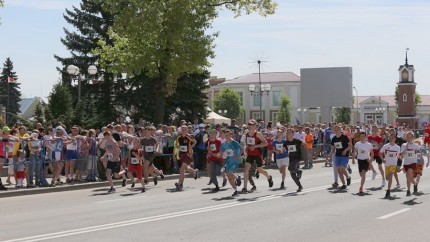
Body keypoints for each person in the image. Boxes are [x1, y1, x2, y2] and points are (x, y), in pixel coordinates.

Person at [242, 120, 273, 194]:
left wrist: (255, 146)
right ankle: (245, 188)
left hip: (258, 155)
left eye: (252, 125)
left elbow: (266, 143)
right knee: (246, 170)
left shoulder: (258, 134)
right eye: (249, 125)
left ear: (255, 126)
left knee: (260, 170)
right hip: (250, 155)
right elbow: (247, 143)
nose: (250, 126)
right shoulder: (246, 134)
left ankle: (269, 177)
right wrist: (246, 147)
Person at [174, 125, 198, 191]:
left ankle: (179, 184)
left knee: (182, 169)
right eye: (182, 129)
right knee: (185, 168)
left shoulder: (188, 136)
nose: (183, 131)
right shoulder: (179, 137)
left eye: (184, 129)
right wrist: (179, 147)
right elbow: (176, 145)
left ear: (187, 130)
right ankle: (194, 171)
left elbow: (195, 141)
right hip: (181, 154)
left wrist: (191, 146)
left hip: (187, 154)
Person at [220, 129, 242, 196]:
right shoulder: (224, 144)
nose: (226, 136)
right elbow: (221, 152)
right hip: (228, 161)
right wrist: (219, 155)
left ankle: (237, 177)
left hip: (235, 161)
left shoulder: (234, 143)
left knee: (229, 172)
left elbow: (241, 149)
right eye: (225, 135)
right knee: (229, 177)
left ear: (231, 135)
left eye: (228, 135)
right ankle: (235, 190)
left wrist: (238, 156)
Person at [330, 125, 352, 190]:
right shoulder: (334, 138)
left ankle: (348, 177)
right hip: (337, 155)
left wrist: (345, 150)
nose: (336, 131)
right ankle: (344, 184)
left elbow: (350, 146)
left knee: (342, 168)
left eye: (337, 129)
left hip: (344, 155)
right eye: (335, 130)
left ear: (340, 130)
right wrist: (330, 154)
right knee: (339, 170)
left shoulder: (344, 137)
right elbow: (333, 148)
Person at [379, 133, 401, 198]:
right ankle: (388, 188)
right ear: (388, 138)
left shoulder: (397, 147)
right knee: (387, 178)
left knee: (391, 175)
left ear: (395, 139)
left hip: (393, 164)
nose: (391, 139)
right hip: (387, 164)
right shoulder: (386, 146)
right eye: (390, 138)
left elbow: (398, 155)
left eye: (392, 138)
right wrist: (383, 160)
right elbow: (380, 153)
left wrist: (400, 160)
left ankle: (388, 191)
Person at [400, 131, 421, 196]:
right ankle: (413, 185)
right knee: (408, 177)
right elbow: (401, 156)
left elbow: (419, 155)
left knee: (409, 173)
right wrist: (406, 149)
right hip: (406, 163)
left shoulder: (416, 145)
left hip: (413, 162)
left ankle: (408, 191)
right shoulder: (403, 145)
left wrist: (419, 163)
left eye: (410, 137)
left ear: (412, 137)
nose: (408, 138)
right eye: (407, 137)